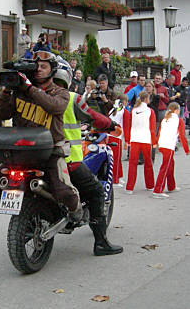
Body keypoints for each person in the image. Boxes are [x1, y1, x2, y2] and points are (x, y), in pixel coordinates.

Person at [0, 51, 82, 221]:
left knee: (64, 192)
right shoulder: (19, 93)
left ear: (53, 70)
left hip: (50, 150)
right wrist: (7, 91)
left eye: (43, 67)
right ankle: (28, 208)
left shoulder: (60, 92)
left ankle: (76, 211)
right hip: (23, 150)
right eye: (36, 67)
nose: (39, 70)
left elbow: (54, 107)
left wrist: (30, 88)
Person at [53, 57, 123, 256]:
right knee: (96, 193)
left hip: (39, 159)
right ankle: (101, 243)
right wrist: (110, 124)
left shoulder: (38, 97)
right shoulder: (72, 98)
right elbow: (92, 116)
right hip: (69, 161)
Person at [153, 102, 190, 199]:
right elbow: (182, 136)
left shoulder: (165, 119)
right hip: (169, 146)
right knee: (165, 167)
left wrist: (156, 143)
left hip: (163, 145)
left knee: (170, 164)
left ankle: (171, 186)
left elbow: (159, 132)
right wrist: (186, 149)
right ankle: (158, 190)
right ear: (177, 110)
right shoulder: (178, 120)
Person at [125, 92, 157, 194]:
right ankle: (150, 185)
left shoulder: (133, 111)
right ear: (147, 99)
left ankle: (129, 187)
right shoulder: (150, 111)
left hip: (134, 139)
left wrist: (127, 139)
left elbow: (129, 126)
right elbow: (152, 128)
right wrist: (154, 142)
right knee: (148, 163)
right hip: (146, 139)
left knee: (132, 163)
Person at [108, 95, 130, 187]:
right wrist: (127, 141)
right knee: (116, 159)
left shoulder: (112, 109)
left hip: (109, 135)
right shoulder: (124, 111)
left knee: (115, 158)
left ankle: (119, 176)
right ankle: (115, 180)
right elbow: (126, 127)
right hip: (117, 137)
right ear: (124, 101)